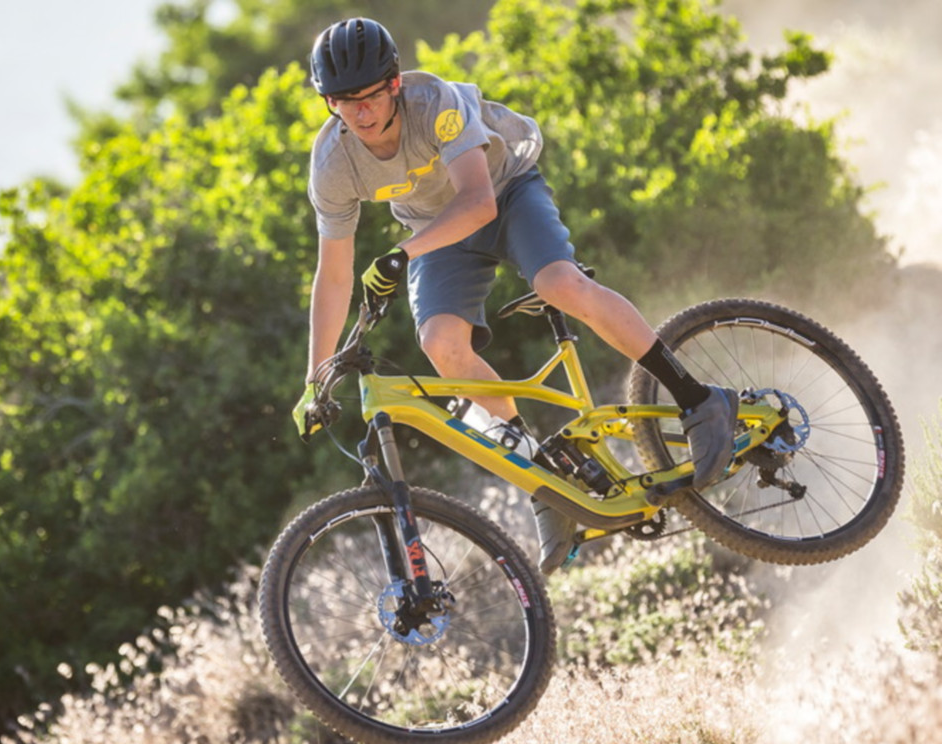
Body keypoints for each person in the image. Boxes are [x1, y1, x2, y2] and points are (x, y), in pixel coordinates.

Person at [291, 17, 737, 573]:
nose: (359, 113)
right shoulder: (332, 162)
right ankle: (547, 481)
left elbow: (478, 201)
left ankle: (698, 399)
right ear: (327, 102)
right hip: (435, 230)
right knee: (441, 345)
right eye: (342, 102)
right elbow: (333, 275)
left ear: (395, 83)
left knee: (559, 283)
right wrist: (314, 380)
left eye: (369, 97)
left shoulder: (437, 103)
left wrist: (402, 254)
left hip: (505, 191)